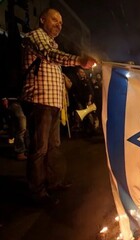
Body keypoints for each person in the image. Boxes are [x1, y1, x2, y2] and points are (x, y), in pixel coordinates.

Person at [21, 8, 97, 206]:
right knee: (39, 148)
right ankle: (36, 191)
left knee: (53, 146)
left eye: (61, 23)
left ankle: (52, 183)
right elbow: (49, 54)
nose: (59, 24)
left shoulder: (52, 43)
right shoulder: (35, 36)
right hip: (39, 101)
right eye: (55, 20)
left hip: (53, 103)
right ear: (42, 19)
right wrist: (78, 60)